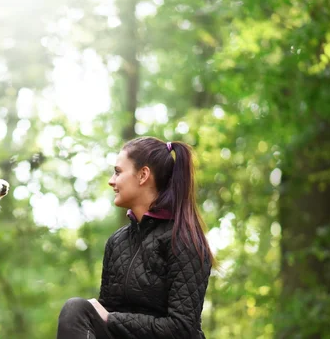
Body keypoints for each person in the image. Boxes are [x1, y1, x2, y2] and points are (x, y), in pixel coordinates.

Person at [56, 137, 215, 338]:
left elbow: (182, 328)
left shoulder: (183, 240)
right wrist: (100, 315)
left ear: (143, 175)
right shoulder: (117, 242)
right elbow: (106, 311)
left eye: (118, 172)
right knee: (76, 310)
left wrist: (110, 318)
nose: (111, 181)